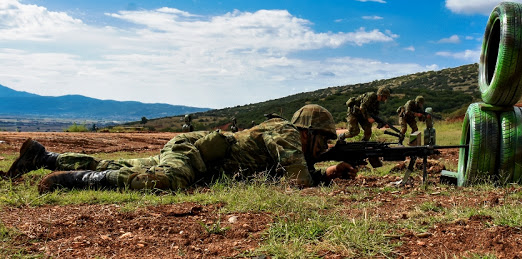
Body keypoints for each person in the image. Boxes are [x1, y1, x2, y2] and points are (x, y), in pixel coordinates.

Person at [3, 104, 357, 193]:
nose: (325, 145)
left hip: (195, 154)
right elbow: (296, 178)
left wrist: (328, 172)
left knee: (121, 162)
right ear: (307, 132)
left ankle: (43, 156)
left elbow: (298, 175)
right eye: (324, 139)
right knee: (163, 181)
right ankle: (72, 180)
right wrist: (318, 172)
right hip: (193, 156)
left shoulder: (291, 140)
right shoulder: (285, 131)